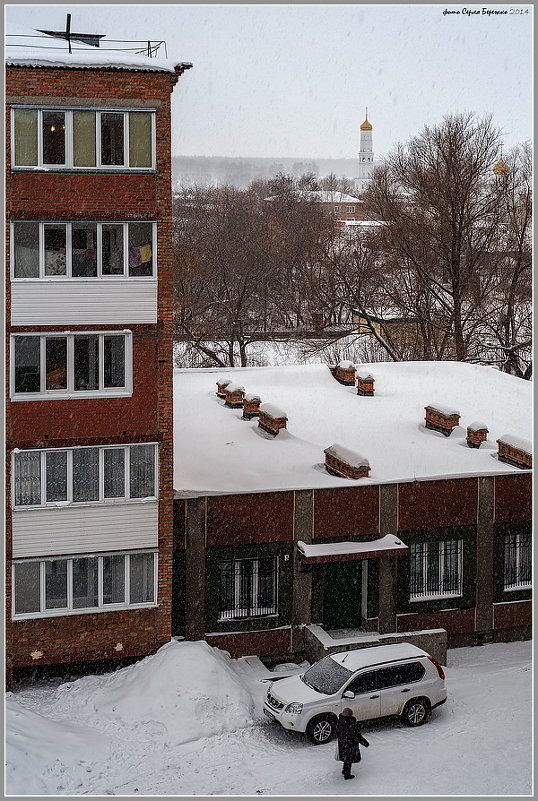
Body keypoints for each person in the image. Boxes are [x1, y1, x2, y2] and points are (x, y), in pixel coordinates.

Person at [336, 707, 369, 780]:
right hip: (351, 745)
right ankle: (347, 774)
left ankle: (344, 771)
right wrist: (365, 743)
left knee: (346, 758)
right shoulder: (351, 724)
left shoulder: (339, 722)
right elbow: (357, 736)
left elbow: (338, 732)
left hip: (342, 744)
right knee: (349, 759)